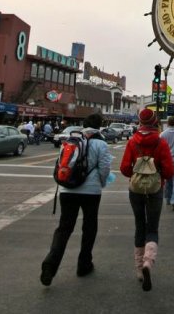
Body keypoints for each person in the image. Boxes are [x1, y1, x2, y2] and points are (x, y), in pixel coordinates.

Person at [40, 113, 111, 286]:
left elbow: (60, 164)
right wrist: (100, 183)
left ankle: (50, 264)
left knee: (64, 228)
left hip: (67, 190)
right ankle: (84, 264)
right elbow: (105, 168)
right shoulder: (101, 143)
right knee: (89, 226)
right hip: (91, 192)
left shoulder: (71, 141)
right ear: (99, 125)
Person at [120, 108, 174, 291]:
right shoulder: (161, 142)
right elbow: (168, 171)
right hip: (155, 188)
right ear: (155, 121)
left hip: (135, 189)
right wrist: (158, 174)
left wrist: (137, 170)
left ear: (140, 122)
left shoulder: (132, 141)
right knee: (152, 227)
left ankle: (138, 269)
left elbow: (125, 168)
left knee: (139, 225)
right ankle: (148, 263)